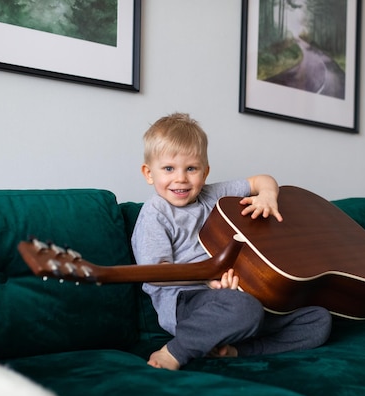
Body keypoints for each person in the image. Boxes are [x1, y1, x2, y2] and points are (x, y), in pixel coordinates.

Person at [131, 113, 331, 370]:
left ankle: (232, 351)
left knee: (319, 319)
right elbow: (156, 273)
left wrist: (268, 195)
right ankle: (175, 351)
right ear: (149, 173)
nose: (180, 178)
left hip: (237, 295)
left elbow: (261, 180)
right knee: (244, 308)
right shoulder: (155, 212)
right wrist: (207, 276)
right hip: (187, 300)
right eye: (169, 169)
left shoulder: (211, 194)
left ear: (205, 172)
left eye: (191, 169)